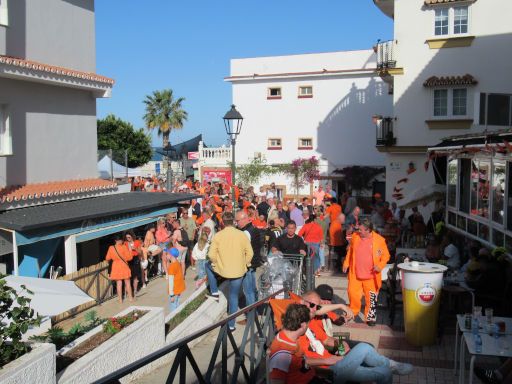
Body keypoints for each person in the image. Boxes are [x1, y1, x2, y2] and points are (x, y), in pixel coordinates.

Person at [269, 294, 413, 384]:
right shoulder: (293, 331)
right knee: (364, 347)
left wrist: (343, 349)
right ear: (301, 303)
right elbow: (294, 363)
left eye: (317, 306)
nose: (314, 309)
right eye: (311, 306)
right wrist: (327, 361)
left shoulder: (308, 320)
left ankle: (390, 366)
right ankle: (391, 364)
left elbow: (326, 340)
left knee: (384, 372)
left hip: (334, 362)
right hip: (330, 368)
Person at [205, 211, 253, 331]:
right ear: (234, 221)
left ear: (222, 222)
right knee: (233, 297)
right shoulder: (241, 234)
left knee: (207, 266)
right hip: (238, 271)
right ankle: (231, 325)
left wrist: (216, 264)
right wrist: (246, 264)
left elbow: (211, 255)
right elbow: (250, 253)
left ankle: (214, 291)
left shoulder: (218, 235)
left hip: (223, 270)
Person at [342, 218, 390, 326]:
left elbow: (386, 256)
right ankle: (352, 313)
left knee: (371, 297)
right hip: (355, 274)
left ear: (368, 230)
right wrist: (346, 263)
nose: (359, 231)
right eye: (359, 229)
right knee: (352, 294)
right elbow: (350, 251)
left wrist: (380, 266)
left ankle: (370, 318)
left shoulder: (379, 240)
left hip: (371, 276)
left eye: (362, 230)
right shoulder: (355, 237)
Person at [236, 210, 264, 316]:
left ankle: (251, 315)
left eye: (238, 220)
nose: (236, 223)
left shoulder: (246, 232)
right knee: (253, 289)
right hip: (253, 263)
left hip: (248, 265)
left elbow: (244, 250)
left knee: (249, 292)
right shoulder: (253, 228)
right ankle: (255, 311)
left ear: (244, 219)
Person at [106, 236, 134, 303]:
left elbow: (107, 258)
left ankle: (120, 300)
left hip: (115, 266)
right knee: (127, 283)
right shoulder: (124, 247)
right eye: (120, 240)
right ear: (116, 240)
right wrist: (130, 249)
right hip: (124, 265)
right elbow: (129, 258)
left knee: (119, 283)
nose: (121, 241)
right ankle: (130, 298)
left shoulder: (111, 248)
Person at [167, 247, 185, 312]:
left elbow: (171, 282)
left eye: (167, 254)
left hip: (174, 291)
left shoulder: (171, 267)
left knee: (173, 308)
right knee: (177, 304)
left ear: (171, 255)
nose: (166, 255)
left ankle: (173, 320)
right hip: (179, 289)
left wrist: (171, 295)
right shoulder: (177, 263)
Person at [124, 231, 142, 296]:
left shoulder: (137, 242)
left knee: (135, 276)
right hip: (128, 260)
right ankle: (128, 291)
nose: (128, 239)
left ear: (132, 236)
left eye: (129, 237)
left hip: (135, 259)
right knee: (128, 276)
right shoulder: (125, 243)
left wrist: (135, 249)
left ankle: (135, 290)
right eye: (127, 238)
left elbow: (140, 252)